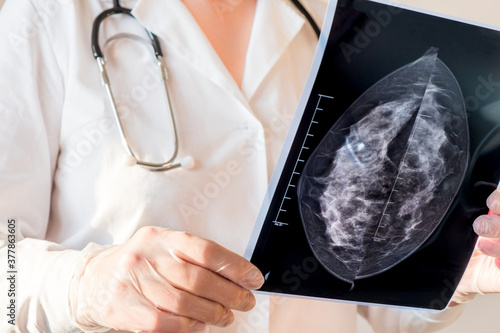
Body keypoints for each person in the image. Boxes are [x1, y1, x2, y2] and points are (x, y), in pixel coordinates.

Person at [0, 0, 498, 332]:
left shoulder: (337, 24)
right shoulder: (45, 19)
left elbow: (359, 296)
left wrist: (448, 272)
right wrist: (82, 284)